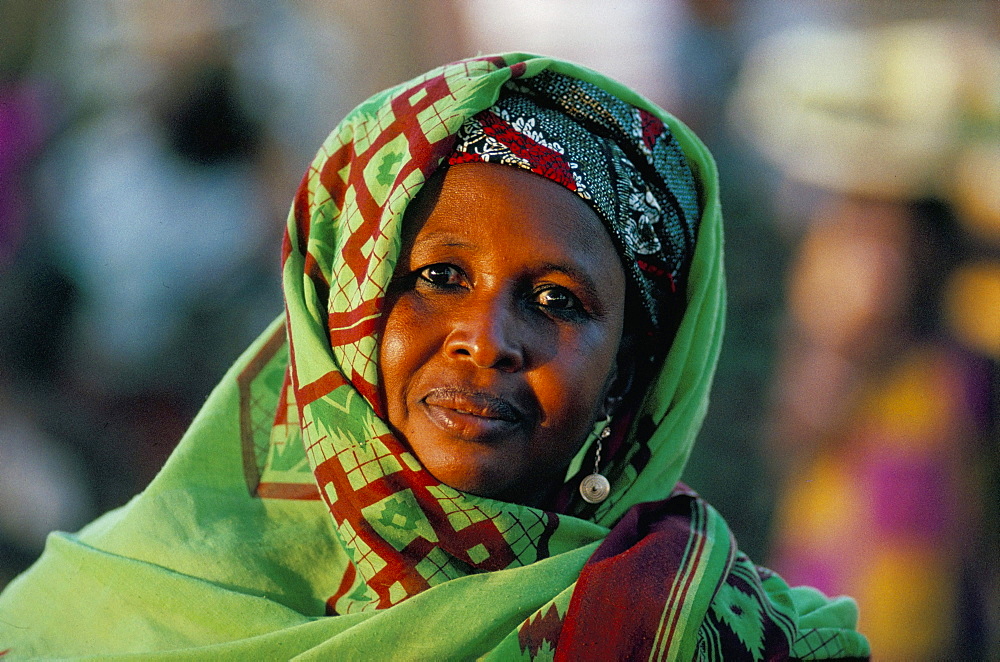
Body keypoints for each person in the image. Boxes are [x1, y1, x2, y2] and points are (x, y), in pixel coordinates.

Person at [0, 54, 870, 659]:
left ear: (631, 373)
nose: (487, 339)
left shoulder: (716, 634)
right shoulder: (98, 622)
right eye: (439, 275)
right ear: (347, 307)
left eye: (558, 300)